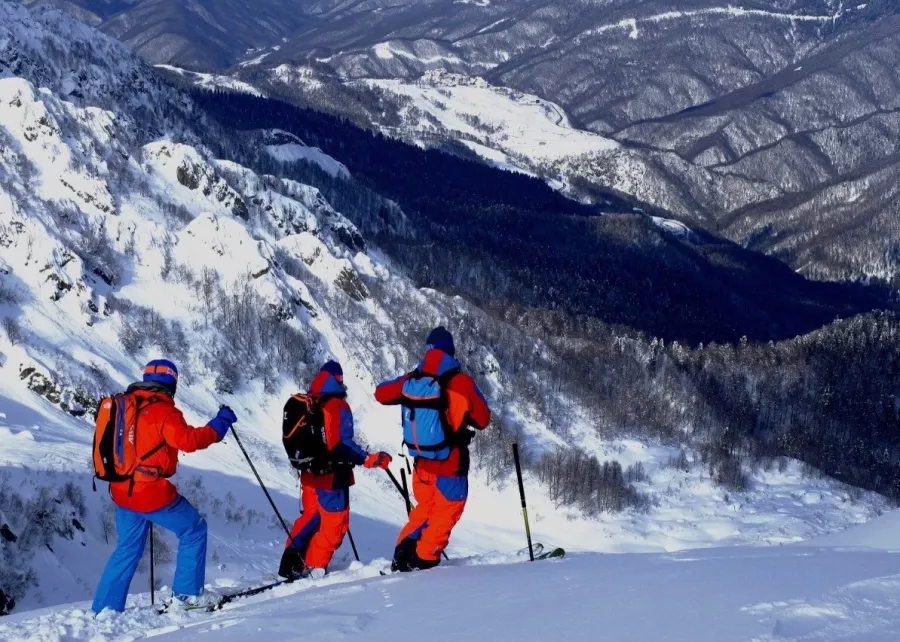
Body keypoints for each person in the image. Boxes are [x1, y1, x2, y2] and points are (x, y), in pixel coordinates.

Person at [92, 359, 236, 613]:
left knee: (126, 548)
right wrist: (220, 423)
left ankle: (104, 609)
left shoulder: (124, 404)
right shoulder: (164, 412)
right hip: (149, 492)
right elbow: (190, 441)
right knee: (194, 529)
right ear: (173, 383)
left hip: (120, 490)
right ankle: (187, 596)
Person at [375, 327, 491, 572]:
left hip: (421, 466)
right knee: (446, 513)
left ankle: (402, 555)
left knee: (424, 512)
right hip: (450, 464)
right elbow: (483, 419)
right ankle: (425, 562)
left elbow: (381, 393)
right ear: (450, 352)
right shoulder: (460, 382)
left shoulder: (413, 379)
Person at [278, 361, 391, 579]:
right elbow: (341, 444)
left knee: (311, 517)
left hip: (310, 474)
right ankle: (313, 567)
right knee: (335, 526)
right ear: (339, 381)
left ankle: (289, 563)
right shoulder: (338, 406)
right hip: (331, 477)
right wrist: (368, 459)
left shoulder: (311, 402)